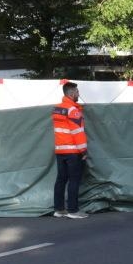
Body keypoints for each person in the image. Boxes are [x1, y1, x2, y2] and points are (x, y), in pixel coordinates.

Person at [52, 81, 88, 219]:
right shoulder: (73, 111)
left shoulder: (57, 109)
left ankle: (59, 209)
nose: (79, 94)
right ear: (72, 94)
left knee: (61, 179)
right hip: (73, 151)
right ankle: (73, 210)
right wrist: (83, 151)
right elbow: (78, 132)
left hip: (60, 151)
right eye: (77, 92)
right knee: (74, 180)